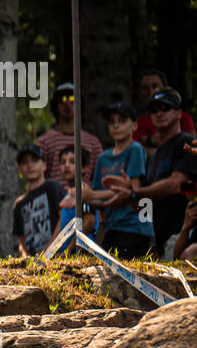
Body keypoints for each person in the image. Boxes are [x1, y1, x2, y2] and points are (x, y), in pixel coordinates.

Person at [102, 88, 197, 258]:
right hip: (160, 240)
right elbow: (146, 205)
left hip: (185, 235)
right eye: (154, 110)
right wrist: (130, 197)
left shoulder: (186, 143)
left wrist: (134, 192)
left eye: (165, 108)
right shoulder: (153, 156)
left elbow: (176, 184)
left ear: (178, 113)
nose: (159, 113)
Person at [79, 102, 151, 259]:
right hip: (112, 227)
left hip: (135, 226)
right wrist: (83, 197)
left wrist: (90, 195)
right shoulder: (103, 157)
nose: (116, 126)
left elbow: (133, 190)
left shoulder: (136, 149)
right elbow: (96, 196)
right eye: (112, 122)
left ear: (134, 125)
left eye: (122, 121)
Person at [36, 82, 102, 184]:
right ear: (56, 105)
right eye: (62, 100)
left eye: (72, 99)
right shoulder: (44, 141)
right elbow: (38, 178)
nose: (67, 104)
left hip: (85, 198)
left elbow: (99, 178)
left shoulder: (93, 143)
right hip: (55, 198)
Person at [12, 143, 64, 257]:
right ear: (19, 169)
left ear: (44, 165)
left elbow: (63, 220)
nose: (29, 165)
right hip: (33, 263)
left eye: (34, 160)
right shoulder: (19, 204)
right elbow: (21, 240)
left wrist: (49, 251)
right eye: (24, 162)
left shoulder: (53, 187)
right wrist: (27, 258)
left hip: (56, 255)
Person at [132, 69, 195, 148]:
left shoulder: (184, 117)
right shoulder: (139, 121)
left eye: (155, 86)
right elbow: (135, 150)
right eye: (145, 88)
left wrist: (149, 140)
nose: (150, 91)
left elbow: (192, 142)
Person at [55, 146, 95, 239]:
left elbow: (89, 221)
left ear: (84, 168)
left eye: (72, 162)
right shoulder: (66, 196)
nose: (66, 165)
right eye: (63, 162)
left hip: (81, 251)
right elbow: (60, 227)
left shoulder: (85, 193)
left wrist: (68, 251)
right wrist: (47, 251)